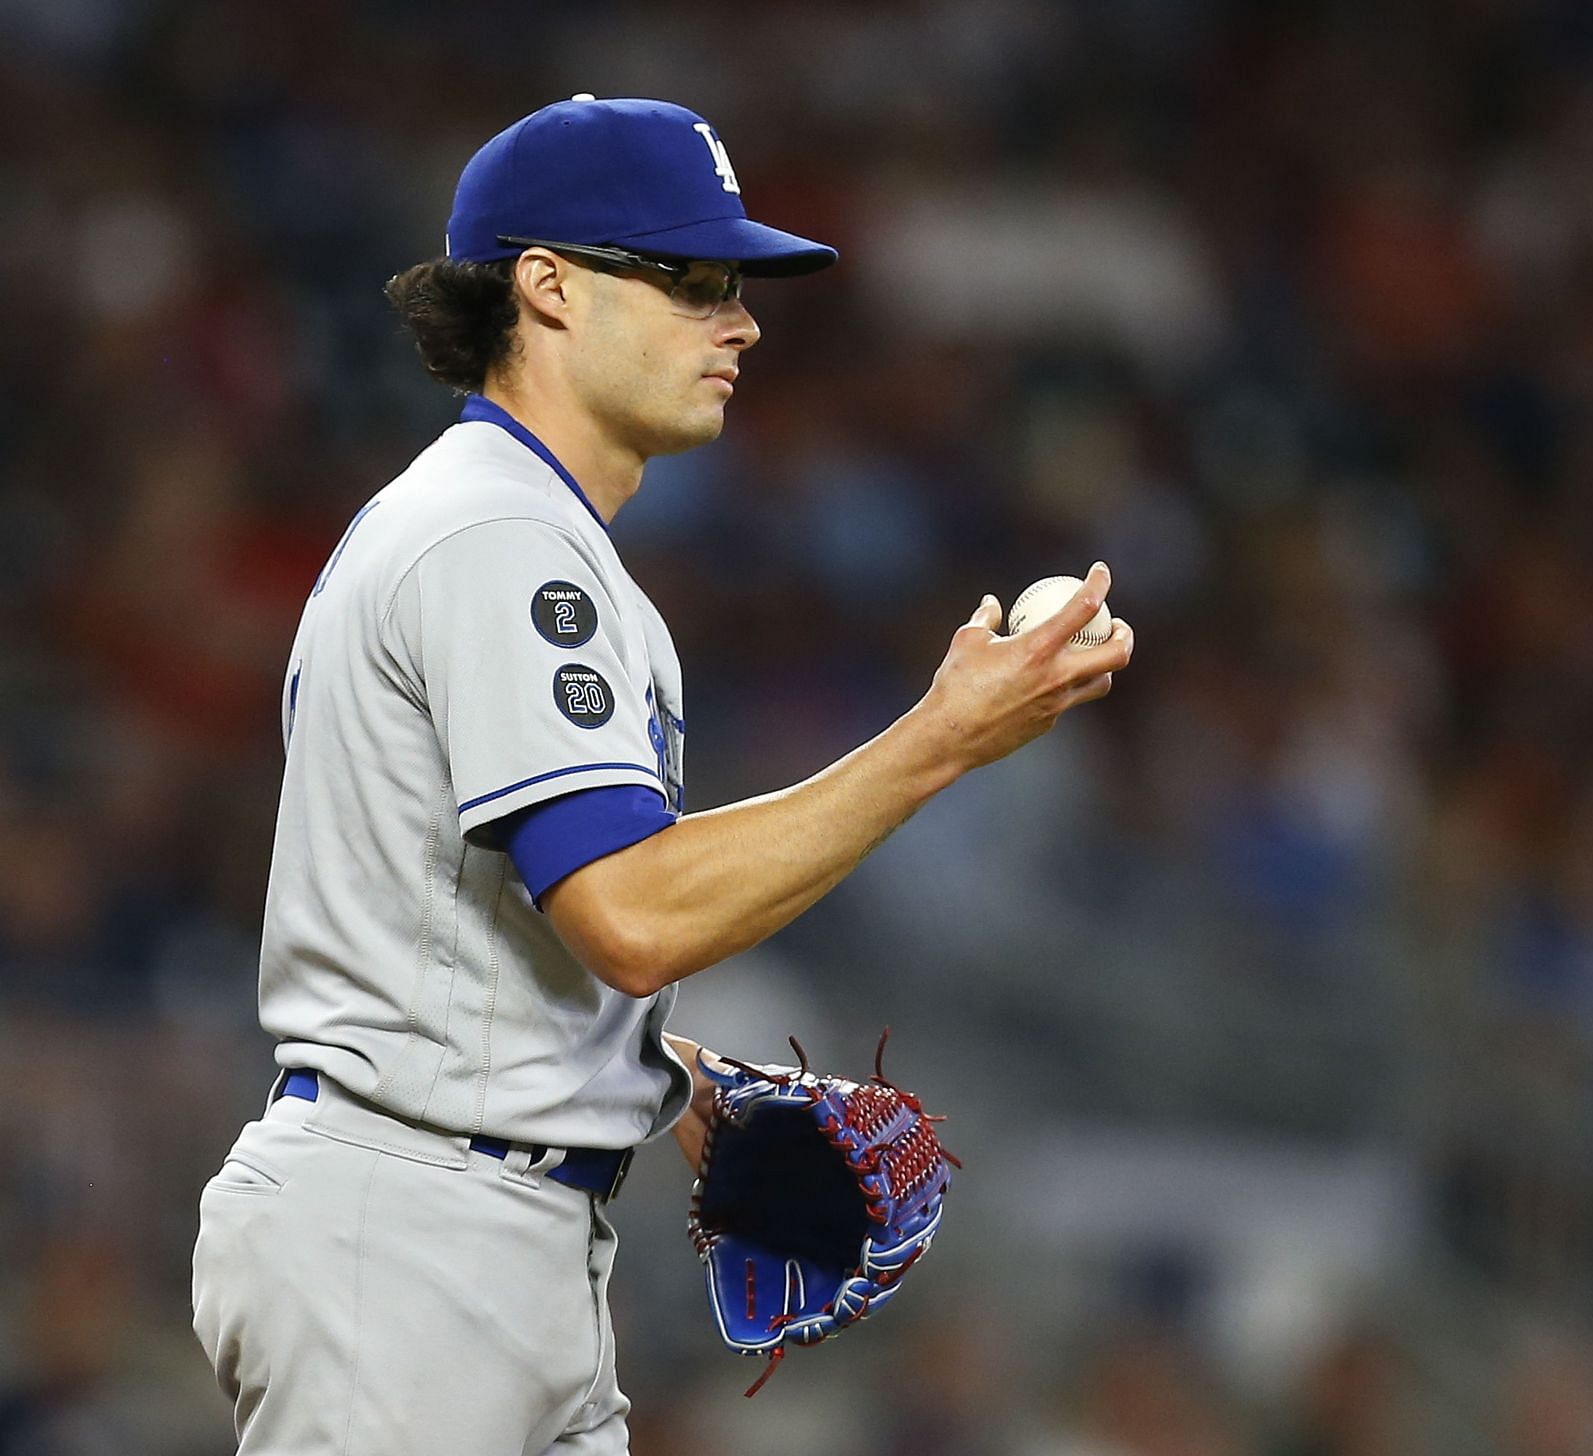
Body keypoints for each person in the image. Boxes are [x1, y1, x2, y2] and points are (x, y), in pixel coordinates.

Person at [189, 95, 1134, 1455]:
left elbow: (477, 925)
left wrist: (666, 1084)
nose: (738, 320)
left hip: (484, 1234)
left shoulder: (526, 541)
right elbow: (630, 914)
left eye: (735, 286)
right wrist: (942, 740)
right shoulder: (494, 537)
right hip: (405, 1242)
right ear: (549, 286)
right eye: (689, 281)